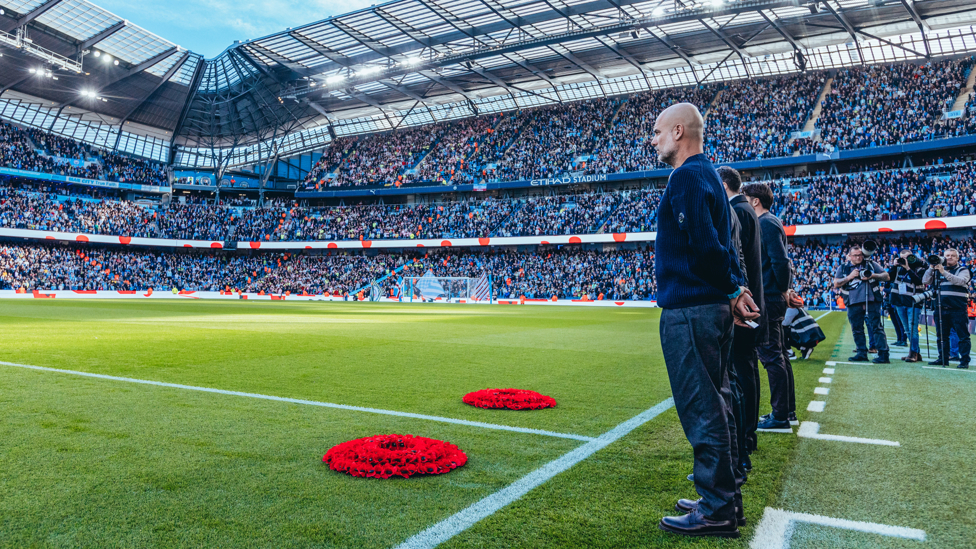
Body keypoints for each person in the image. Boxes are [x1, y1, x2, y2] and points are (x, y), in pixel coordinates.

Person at [652, 103, 759, 539]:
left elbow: (704, 245)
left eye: (657, 131)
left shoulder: (688, 176)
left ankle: (716, 508)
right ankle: (724, 498)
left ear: (679, 131)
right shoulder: (709, 176)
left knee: (704, 408)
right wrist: (732, 287)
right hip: (708, 308)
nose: (653, 139)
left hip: (692, 310)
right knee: (720, 402)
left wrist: (732, 288)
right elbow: (721, 247)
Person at [718, 166, 764, 472]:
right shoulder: (746, 210)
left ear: (722, 185)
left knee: (738, 375)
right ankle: (746, 437)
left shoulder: (737, 212)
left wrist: (736, 298)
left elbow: (739, 260)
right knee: (745, 372)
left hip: (743, 305)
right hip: (748, 301)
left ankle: (742, 441)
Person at [741, 183, 796, 431]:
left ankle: (781, 416)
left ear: (755, 201)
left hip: (770, 297)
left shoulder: (766, 223)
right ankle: (786, 412)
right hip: (773, 296)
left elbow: (781, 261)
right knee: (780, 355)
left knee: (772, 356)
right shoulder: (770, 222)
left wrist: (783, 290)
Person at [833, 245, 890, 363]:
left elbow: (886, 276)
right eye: (855, 255)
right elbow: (836, 284)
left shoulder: (870, 264)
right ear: (849, 256)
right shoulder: (843, 268)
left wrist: (872, 275)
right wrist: (850, 277)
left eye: (860, 255)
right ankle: (861, 352)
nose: (859, 257)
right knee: (856, 329)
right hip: (853, 302)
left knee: (877, 327)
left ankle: (883, 354)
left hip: (872, 300)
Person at [922, 249, 971, 368]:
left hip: (957, 308)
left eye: (952, 256)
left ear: (958, 258)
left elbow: (960, 281)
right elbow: (925, 281)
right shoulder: (937, 270)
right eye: (947, 256)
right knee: (941, 336)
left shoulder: (963, 270)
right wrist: (931, 268)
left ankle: (964, 360)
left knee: (962, 336)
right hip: (940, 308)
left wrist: (943, 272)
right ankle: (943, 358)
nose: (949, 258)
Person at [887, 250, 925, 362]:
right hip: (899, 301)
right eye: (902, 258)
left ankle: (913, 353)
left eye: (907, 257)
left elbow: (919, 281)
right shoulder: (898, 268)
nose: (904, 260)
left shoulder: (920, 267)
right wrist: (894, 266)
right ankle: (915, 352)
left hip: (914, 302)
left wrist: (908, 268)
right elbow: (889, 278)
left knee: (913, 328)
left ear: (912, 257)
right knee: (907, 329)